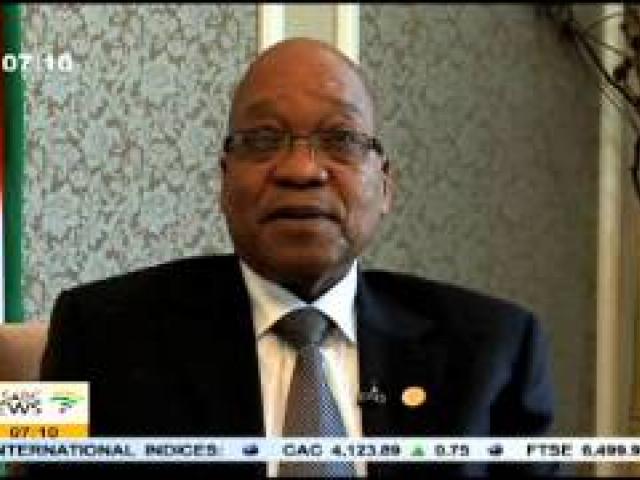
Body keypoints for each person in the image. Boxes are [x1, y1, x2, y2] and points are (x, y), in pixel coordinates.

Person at [34, 37, 556, 477]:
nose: (302, 170)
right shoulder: (93, 329)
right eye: (263, 140)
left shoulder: (497, 347)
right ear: (224, 181)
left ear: (385, 185)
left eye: (341, 139)